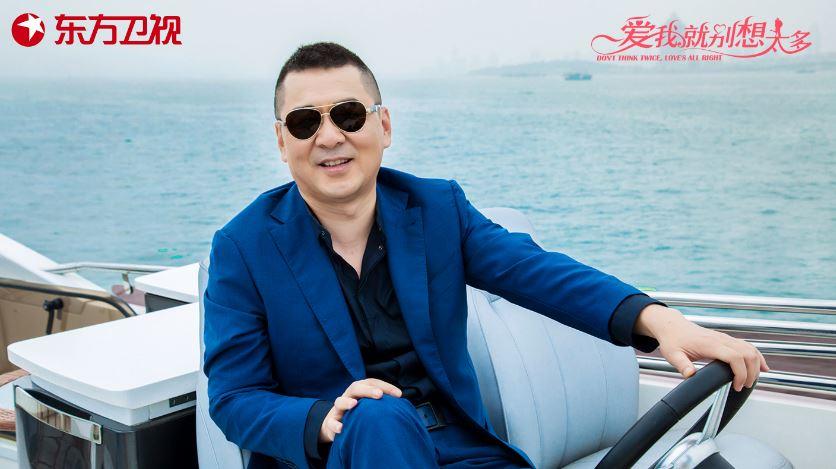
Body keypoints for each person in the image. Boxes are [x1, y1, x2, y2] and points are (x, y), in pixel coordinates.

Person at [202, 42, 769, 469]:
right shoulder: (243, 248)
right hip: (338, 453)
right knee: (376, 418)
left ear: (384, 125)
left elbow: (535, 272)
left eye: (348, 115)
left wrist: (659, 321)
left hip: (457, 448)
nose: (329, 137)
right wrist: (323, 419)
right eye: (305, 122)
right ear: (282, 142)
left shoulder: (436, 209)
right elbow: (234, 398)